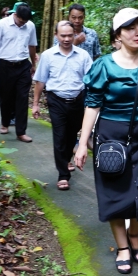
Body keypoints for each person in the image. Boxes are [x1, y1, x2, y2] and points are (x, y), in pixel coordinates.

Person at [74, 8, 138, 275]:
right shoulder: (103, 65)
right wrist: (83, 143)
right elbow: (92, 106)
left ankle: (134, 232)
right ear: (118, 34)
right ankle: (122, 247)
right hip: (109, 134)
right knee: (115, 193)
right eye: (130, 28)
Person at [32, 21, 93, 191]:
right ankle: (63, 175)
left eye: (69, 35)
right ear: (56, 35)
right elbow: (40, 81)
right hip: (56, 100)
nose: (66, 39)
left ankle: (66, 158)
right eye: (63, 35)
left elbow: (92, 80)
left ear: (75, 35)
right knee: (59, 136)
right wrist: (35, 104)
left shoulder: (83, 55)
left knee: (71, 134)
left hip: (77, 100)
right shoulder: (48, 55)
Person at [0, 2, 38, 143]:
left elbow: (32, 46)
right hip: (5, 65)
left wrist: (33, 64)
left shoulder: (30, 26)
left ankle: (21, 132)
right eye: (21, 20)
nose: (22, 23)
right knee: (6, 96)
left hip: (23, 65)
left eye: (25, 21)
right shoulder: (1, 24)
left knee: (22, 97)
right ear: (15, 15)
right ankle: (5, 123)